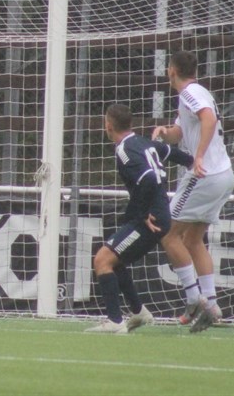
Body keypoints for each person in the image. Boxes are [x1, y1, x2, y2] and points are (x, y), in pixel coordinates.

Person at [86, 104, 194, 334]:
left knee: (102, 260)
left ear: (108, 126)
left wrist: (142, 213)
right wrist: (194, 163)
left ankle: (115, 321)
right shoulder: (145, 143)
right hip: (157, 215)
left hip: (150, 219)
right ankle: (138, 312)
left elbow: (148, 178)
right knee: (114, 260)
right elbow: (173, 154)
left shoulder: (124, 150)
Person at [151, 50, 234, 333]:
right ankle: (212, 305)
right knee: (193, 239)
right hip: (223, 175)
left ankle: (193, 299)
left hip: (204, 174)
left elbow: (208, 119)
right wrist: (165, 132)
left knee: (168, 233)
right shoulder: (196, 93)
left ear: (171, 70)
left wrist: (198, 156)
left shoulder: (190, 92)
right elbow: (181, 133)